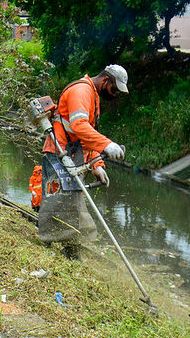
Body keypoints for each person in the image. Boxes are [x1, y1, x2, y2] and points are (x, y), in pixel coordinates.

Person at [39, 65, 128, 258]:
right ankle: (48, 246)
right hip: (58, 152)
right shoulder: (82, 91)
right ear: (106, 81)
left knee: (72, 204)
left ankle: (69, 249)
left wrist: (97, 164)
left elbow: (88, 135)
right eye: (114, 89)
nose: (114, 94)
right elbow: (79, 126)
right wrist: (107, 144)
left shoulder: (93, 95)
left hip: (72, 155)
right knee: (58, 202)